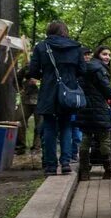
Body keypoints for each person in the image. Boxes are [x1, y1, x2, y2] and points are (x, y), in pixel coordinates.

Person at [25, 21, 84, 175]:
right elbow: (82, 70)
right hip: (69, 92)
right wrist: (69, 78)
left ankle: (50, 165)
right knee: (66, 126)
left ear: (49, 31)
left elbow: (33, 71)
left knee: (50, 127)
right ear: (65, 31)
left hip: (49, 91)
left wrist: (46, 76)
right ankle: (65, 162)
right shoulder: (76, 47)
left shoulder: (41, 47)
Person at [77, 46, 111, 181]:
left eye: (109, 54)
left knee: (86, 138)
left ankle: (84, 172)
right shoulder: (99, 69)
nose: (108, 57)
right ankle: (108, 170)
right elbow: (107, 89)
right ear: (98, 55)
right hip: (99, 107)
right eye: (104, 54)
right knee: (105, 138)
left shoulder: (85, 67)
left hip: (85, 107)